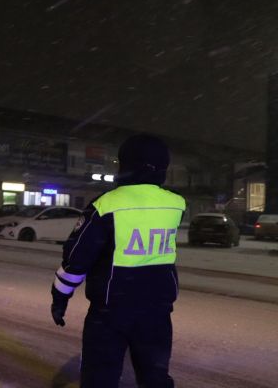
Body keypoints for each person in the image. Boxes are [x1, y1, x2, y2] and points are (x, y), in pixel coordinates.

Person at [50, 134, 185, 388]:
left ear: (126, 165)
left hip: (111, 312)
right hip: (157, 311)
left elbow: (77, 260)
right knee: (155, 377)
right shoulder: (176, 204)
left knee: (100, 378)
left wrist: (60, 296)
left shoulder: (105, 206)